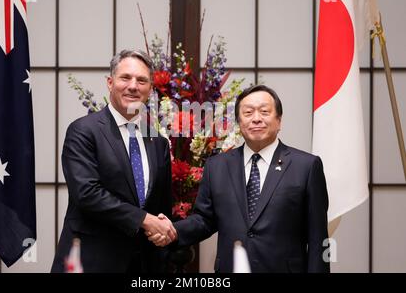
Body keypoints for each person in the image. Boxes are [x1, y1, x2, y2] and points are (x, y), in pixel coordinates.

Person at [150, 84, 330, 273]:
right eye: (248, 112)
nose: (256, 119)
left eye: (264, 111)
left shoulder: (306, 167)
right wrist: (173, 231)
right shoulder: (217, 166)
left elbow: (319, 238)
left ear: (279, 121)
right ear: (238, 122)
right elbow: (204, 219)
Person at [51, 50, 176, 273]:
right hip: (91, 260)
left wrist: (162, 230)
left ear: (150, 90)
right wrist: (144, 219)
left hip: (143, 264)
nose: (133, 86)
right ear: (110, 82)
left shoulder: (158, 142)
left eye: (142, 80)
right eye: (125, 78)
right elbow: (87, 193)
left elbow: (162, 205)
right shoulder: (83, 131)